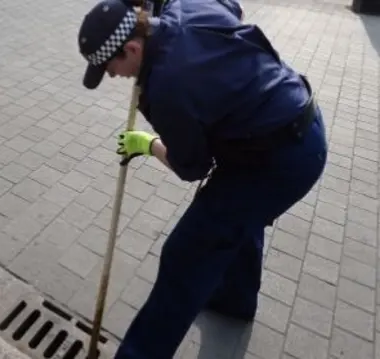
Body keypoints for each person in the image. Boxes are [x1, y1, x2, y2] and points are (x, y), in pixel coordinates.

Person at [77, 0, 328, 357]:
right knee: (238, 221)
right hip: (297, 124)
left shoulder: (167, 86)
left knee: (186, 256)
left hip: (277, 162)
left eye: (111, 68)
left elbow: (192, 167)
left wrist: (149, 145)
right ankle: (234, 302)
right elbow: (232, 7)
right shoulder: (188, 6)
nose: (115, 77)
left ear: (132, 47)